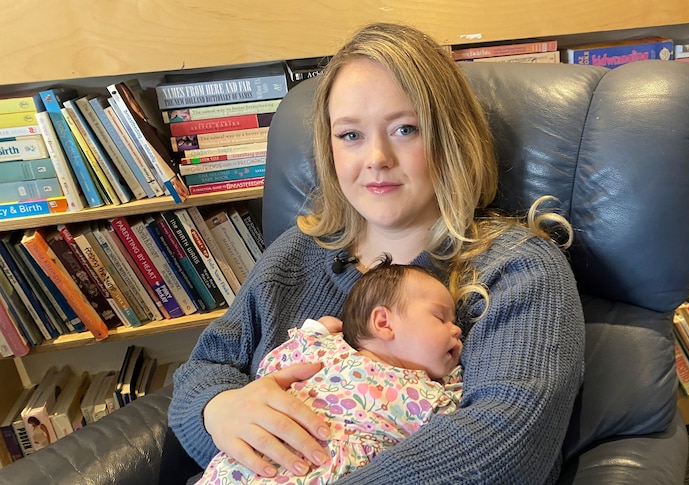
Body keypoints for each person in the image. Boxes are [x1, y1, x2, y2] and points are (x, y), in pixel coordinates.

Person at [169, 22, 585, 484]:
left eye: (405, 129)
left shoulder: (518, 270)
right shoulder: (295, 254)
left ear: (451, 139)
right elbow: (207, 364)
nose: (376, 158)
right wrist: (217, 411)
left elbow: (507, 443)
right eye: (350, 135)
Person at [195, 256, 464, 484]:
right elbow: (271, 370)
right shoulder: (324, 350)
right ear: (384, 323)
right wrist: (315, 332)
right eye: (440, 318)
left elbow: (458, 432)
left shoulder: (427, 394)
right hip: (244, 465)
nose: (457, 330)